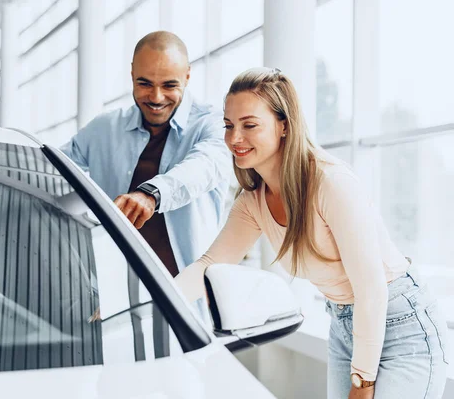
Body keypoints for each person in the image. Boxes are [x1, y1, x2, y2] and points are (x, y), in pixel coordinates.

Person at [175, 67, 449, 399]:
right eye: (229, 126)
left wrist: (362, 381)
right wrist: (149, 297)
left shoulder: (330, 183)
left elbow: (371, 288)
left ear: (283, 126)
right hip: (345, 323)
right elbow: (208, 264)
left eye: (249, 125)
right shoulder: (252, 202)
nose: (235, 138)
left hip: (400, 324)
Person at [61, 31, 230, 278]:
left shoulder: (213, 124)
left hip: (185, 300)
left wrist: (150, 194)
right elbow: (50, 169)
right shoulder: (103, 130)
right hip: (115, 295)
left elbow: (203, 167)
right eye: (145, 83)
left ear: (187, 76)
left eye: (169, 85)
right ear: (131, 74)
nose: (156, 97)